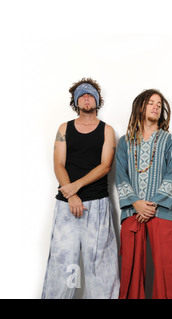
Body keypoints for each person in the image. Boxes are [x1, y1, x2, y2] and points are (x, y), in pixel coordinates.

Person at [42, 78, 119, 298]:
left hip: (98, 205)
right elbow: (58, 163)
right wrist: (72, 195)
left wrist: (76, 187)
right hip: (66, 206)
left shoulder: (107, 130)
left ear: (97, 100)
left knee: (102, 269)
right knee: (62, 266)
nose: (86, 98)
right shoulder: (64, 128)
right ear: (76, 102)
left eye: (90, 94)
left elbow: (106, 166)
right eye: (82, 95)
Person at [115, 89, 172, 299]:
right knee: (131, 269)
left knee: (168, 269)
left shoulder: (169, 140)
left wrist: (151, 206)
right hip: (132, 212)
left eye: (159, 104)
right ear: (140, 106)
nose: (156, 107)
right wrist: (136, 203)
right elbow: (120, 176)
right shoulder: (125, 141)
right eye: (151, 103)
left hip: (160, 212)